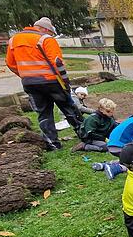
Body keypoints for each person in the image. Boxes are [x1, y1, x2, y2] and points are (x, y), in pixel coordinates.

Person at [5, 17, 83, 150]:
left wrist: (26, 75)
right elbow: (57, 62)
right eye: (51, 32)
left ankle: (51, 143)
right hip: (52, 81)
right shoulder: (45, 39)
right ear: (45, 29)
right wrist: (65, 82)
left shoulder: (14, 40)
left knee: (43, 113)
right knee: (68, 107)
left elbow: (10, 63)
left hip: (30, 83)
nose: (51, 35)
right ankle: (86, 134)